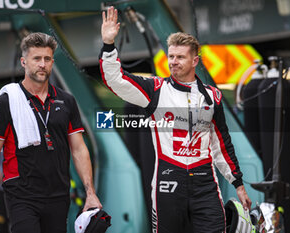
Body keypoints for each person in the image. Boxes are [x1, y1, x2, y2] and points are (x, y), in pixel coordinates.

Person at [100, 6, 251, 233]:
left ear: (195, 61)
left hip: (205, 182)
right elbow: (115, 80)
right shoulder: (156, 89)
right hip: (168, 181)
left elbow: (222, 145)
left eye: (180, 57)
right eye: (171, 56)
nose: (174, 61)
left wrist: (238, 184)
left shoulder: (213, 96)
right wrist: (109, 45)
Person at [0, 32, 102, 233]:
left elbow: (79, 149)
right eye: (36, 59)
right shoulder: (7, 101)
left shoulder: (66, 101)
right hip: (21, 195)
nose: (42, 64)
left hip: (59, 195)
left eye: (47, 59)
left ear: (52, 61)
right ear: (24, 62)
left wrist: (90, 192)